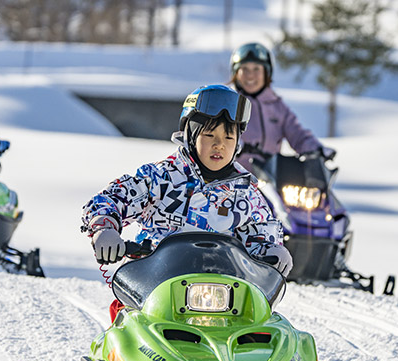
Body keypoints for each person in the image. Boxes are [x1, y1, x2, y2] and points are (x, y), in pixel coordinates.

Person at [80, 84, 293, 300]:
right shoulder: (160, 178)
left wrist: (272, 251)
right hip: (154, 291)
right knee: (126, 329)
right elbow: (111, 199)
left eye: (228, 138)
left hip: (223, 297)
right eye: (209, 135)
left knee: (270, 327)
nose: (219, 145)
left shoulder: (245, 193)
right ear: (190, 135)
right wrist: (104, 226)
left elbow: (261, 232)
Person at [229, 42, 335, 173]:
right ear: (236, 73)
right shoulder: (228, 102)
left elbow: (298, 134)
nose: (250, 75)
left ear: (266, 72)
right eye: (244, 69)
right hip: (234, 180)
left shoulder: (277, 106)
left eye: (256, 69)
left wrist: (316, 149)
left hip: (270, 180)